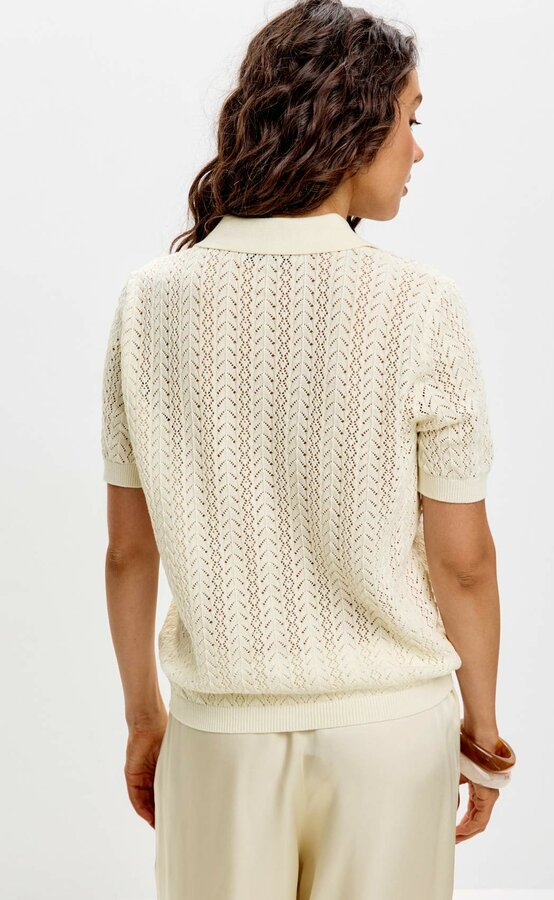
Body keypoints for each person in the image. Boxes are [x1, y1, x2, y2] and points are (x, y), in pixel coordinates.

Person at [100, 1, 515, 897]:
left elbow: (130, 551)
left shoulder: (151, 301)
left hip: (218, 738)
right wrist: (482, 736)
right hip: (391, 737)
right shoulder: (420, 305)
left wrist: (144, 719)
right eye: (409, 120)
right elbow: (465, 563)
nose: (418, 150)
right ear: (352, 123)